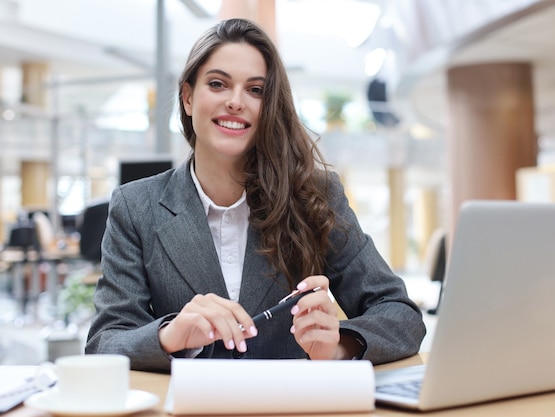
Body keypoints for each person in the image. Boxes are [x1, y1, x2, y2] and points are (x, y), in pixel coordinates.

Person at [85, 17, 426, 372]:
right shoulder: (135, 207)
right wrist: (169, 336)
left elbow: (401, 315)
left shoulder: (315, 195)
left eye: (255, 90)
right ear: (187, 97)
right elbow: (104, 343)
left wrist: (338, 345)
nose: (235, 102)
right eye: (217, 84)